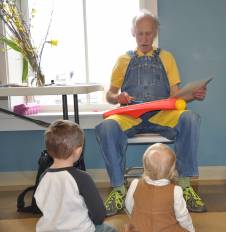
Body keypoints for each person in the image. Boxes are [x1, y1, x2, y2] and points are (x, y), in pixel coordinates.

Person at [95, 9, 207, 216]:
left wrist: (194, 95)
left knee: (190, 118)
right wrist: (117, 98)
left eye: (148, 33)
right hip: (131, 114)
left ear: (154, 33)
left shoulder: (166, 57)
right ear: (133, 32)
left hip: (160, 114)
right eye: (140, 33)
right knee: (106, 127)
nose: (144, 38)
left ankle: (184, 185)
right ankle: (119, 189)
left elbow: (175, 95)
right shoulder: (123, 60)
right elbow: (109, 94)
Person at [35, 120, 116, 232]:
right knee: (110, 229)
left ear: (49, 150)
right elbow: (99, 215)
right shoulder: (82, 178)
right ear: (78, 150)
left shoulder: (43, 176)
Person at [125, 143, 195, 232]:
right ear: (172, 171)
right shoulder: (175, 191)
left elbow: (128, 205)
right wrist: (191, 229)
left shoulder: (135, 184)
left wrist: (138, 219)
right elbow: (183, 216)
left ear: (144, 167)